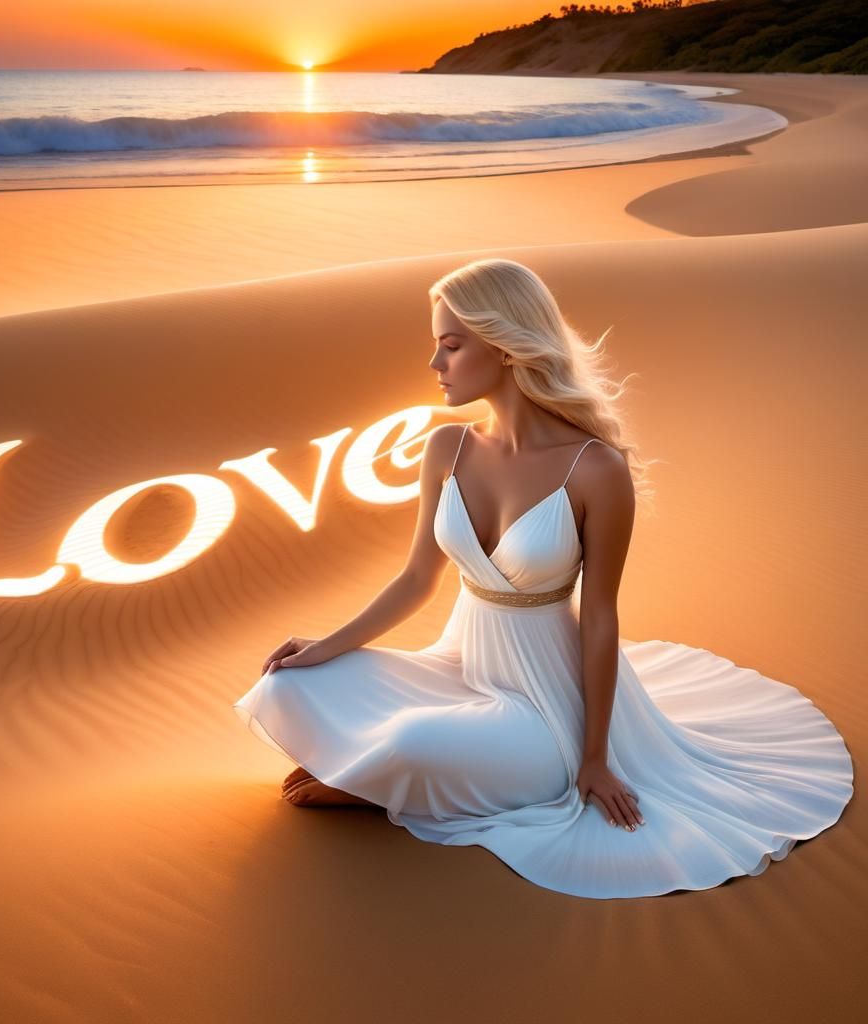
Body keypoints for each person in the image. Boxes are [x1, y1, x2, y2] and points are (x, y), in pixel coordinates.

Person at [232, 258, 853, 900]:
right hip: (462, 667)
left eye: (451, 345)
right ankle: (385, 769)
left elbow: (602, 616)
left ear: (504, 348)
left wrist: (594, 757)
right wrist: (327, 646)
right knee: (288, 686)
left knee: (415, 739)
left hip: (548, 704)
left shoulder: (594, 469)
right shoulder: (446, 448)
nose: (435, 364)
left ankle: (375, 781)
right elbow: (417, 577)